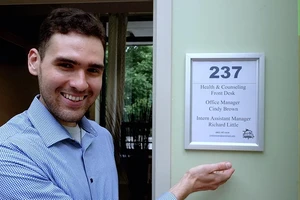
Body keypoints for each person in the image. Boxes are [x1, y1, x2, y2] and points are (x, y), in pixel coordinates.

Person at [0, 7, 234, 200]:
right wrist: (182, 188)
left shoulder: (102, 138)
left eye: (93, 70)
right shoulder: (9, 153)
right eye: (66, 65)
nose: (81, 84)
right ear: (34, 62)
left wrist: (189, 183)